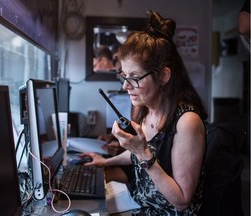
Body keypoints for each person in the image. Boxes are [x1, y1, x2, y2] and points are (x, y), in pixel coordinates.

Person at [80, 10, 208, 215]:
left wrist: (142, 152)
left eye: (134, 77)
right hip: (139, 202)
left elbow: (182, 201)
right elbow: (136, 155)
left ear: (164, 76)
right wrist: (106, 162)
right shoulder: (144, 110)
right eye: (123, 76)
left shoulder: (187, 122)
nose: (125, 86)